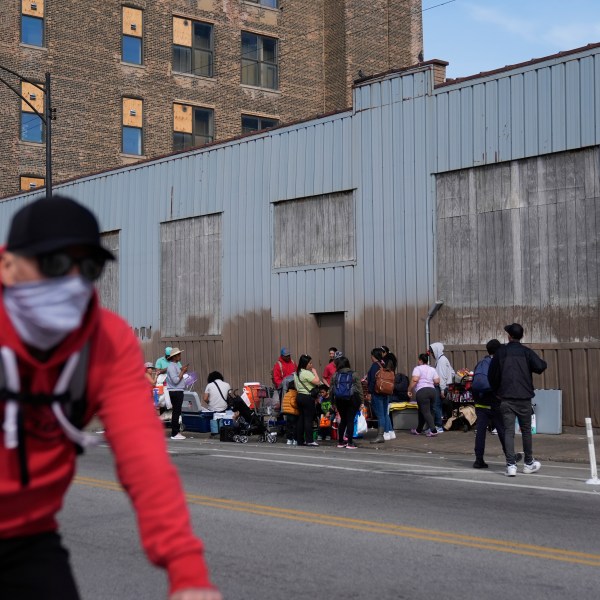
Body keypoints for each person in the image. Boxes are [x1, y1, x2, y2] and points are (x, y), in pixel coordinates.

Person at [0, 195, 219, 600]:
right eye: (55, 264)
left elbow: (144, 457)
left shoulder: (105, 341)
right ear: (7, 265)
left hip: (28, 537)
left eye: (88, 268)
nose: (72, 283)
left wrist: (188, 574)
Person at [489, 323, 547, 477]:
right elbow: (540, 366)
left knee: (509, 431)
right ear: (521, 336)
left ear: (509, 336)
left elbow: (492, 375)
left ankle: (511, 465)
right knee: (526, 431)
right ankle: (528, 463)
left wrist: (497, 392)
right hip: (524, 397)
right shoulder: (526, 352)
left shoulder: (501, 353)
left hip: (506, 397)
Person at [472, 339, 522, 468]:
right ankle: (510, 458)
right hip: (496, 403)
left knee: (481, 432)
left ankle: (479, 460)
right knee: (503, 431)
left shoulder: (481, 363)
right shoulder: (500, 363)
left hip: (481, 404)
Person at [330, 356, 364, 449]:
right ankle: (350, 442)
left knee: (343, 420)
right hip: (352, 399)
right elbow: (359, 389)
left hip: (339, 400)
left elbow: (331, 390)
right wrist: (362, 401)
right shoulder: (354, 374)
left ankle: (340, 442)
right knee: (350, 420)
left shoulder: (335, 375)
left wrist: (332, 402)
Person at [407, 353, 440, 437]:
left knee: (425, 411)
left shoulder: (417, 369)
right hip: (432, 391)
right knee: (424, 411)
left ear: (420, 360)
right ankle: (418, 429)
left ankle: (433, 430)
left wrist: (409, 389)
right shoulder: (432, 369)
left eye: (418, 360)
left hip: (422, 392)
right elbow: (437, 381)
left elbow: (415, 380)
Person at [366, 348, 393, 444]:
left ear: (374, 356)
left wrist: (369, 392)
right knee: (385, 413)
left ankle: (380, 436)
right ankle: (388, 432)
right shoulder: (384, 364)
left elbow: (373, 381)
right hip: (385, 391)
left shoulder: (374, 366)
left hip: (377, 392)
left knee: (380, 414)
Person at [293, 354, 320, 446]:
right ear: (306, 364)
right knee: (308, 419)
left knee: (300, 419)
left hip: (299, 396)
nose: (311, 365)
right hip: (307, 397)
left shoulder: (296, 373)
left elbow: (296, 386)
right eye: (310, 363)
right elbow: (317, 381)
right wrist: (315, 372)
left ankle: (299, 440)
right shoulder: (306, 373)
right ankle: (309, 440)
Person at [428, 342, 454, 433]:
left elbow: (441, 376)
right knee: (440, 406)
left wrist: (442, 389)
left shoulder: (441, 361)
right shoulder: (443, 359)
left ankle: (438, 425)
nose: (432, 354)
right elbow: (452, 372)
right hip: (444, 386)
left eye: (432, 352)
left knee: (436, 406)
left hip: (440, 387)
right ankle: (439, 424)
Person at [165, 348, 188, 440]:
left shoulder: (174, 365)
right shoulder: (171, 366)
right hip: (176, 391)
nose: (180, 356)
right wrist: (183, 371)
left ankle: (175, 432)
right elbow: (175, 380)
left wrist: (181, 370)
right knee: (176, 412)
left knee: (177, 411)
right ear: (174, 357)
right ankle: (175, 433)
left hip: (177, 390)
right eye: (178, 355)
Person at [281, 380, 299, 445]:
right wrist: (298, 407)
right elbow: (293, 403)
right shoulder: (294, 393)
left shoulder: (287, 393)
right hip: (293, 412)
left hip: (287, 413)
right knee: (295, 426)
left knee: (288, 426)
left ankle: (289, 439)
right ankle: (295, 439)